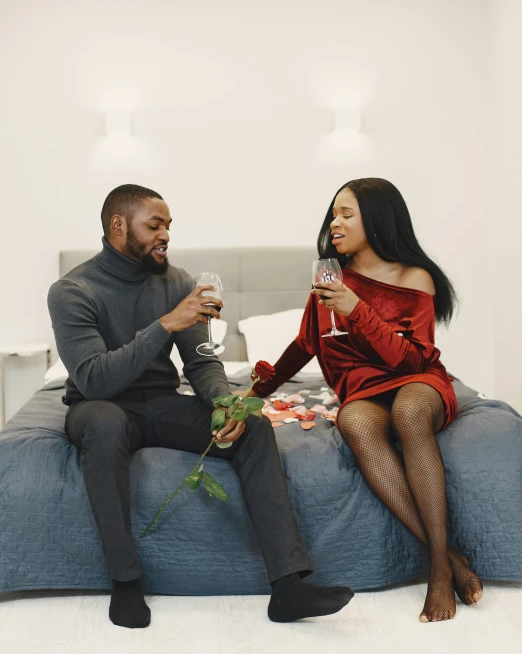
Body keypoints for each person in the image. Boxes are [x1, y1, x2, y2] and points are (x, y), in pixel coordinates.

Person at [47, 184, 353, 629]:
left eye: (168, 225)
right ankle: (126, 581)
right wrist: (166, 322)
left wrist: (225, 403)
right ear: (118, 225)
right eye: (154, 224)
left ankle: (288, 586)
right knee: (106, 426)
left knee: (255, 426)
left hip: (162, 403)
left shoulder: (177, 281)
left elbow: (201, 360)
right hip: (100, 406)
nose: (166, 234)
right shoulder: (72, 290)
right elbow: (96, 379)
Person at [249, 177, 483, 623]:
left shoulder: (415, 278)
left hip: (416, 379)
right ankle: (452, 558)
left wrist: (357, 308)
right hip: (362, 391)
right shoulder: (330, 276)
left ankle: (437, 570)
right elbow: (307, 343)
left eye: (346, 213)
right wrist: (256, 392)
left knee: (409, 412)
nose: (334, 222)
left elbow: (411, 362)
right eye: (333, 213)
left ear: (377, 219)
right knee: (355, 423)